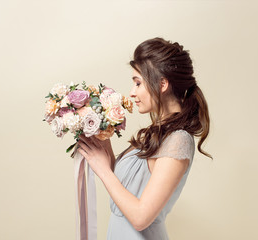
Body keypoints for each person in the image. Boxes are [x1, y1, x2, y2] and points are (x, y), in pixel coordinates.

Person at [77, 37, 212, 240]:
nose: (132, 92)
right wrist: (104, 147)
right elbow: (128, 190)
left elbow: (141, 217)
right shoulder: (159, 131)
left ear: (162, 84)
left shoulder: (178, 139)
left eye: (138, 83)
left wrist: (103, 170)